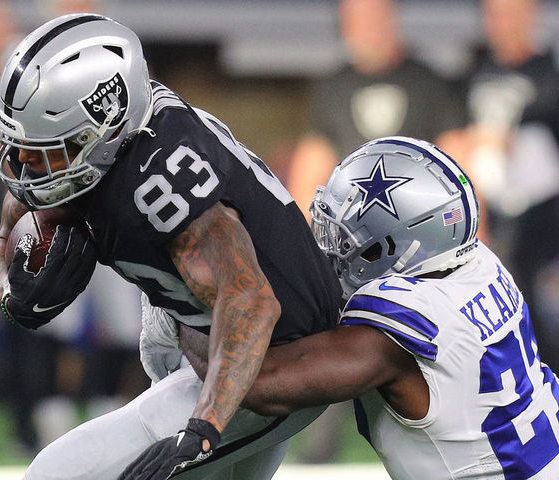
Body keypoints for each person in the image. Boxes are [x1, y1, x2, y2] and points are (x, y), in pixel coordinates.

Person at [0, 13, 342, 480]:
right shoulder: (111, 139)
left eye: (48, 149)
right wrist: (7, 291)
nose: (26, 165)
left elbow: (251, 303)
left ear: (104, 130)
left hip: (270, 359)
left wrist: (202, 427)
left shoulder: (159, 184)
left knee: (57, 472)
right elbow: (16, 211)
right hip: (195, 322)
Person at [166, 136, 559, 480]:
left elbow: (259, 385)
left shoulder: (392, 333)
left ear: (396, 246)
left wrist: (181, 313)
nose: (331, 246)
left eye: (348, 235)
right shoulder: (477, 264)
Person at [287, 0, 465, 223]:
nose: (367, 27)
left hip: (421, 225)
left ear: (391, 15)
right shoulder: (333, 87)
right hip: (352, 232)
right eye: (356, 18)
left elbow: (458, 167)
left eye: (374, 15)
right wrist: (307, 238)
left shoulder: (427, 82)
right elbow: (309, 174)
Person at [454, 0, 559, 373]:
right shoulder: (471, 76)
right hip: (490, 227)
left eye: (514, 11)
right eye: (496, 12)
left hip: (546, 227)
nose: (504, 23)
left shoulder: (550, 75)